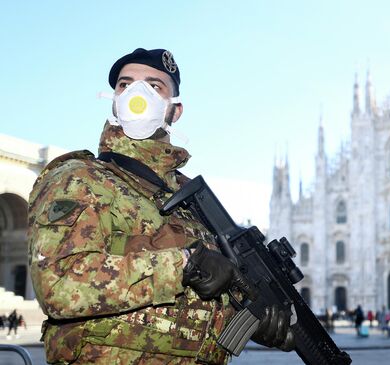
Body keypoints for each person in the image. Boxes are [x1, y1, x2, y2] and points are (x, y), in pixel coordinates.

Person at [28, 48, 294, 364]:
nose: (137, 96)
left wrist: (251, 319)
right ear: (113, 100)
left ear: (174, 110)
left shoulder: (191, 196)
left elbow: (201, 298)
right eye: (125, 85)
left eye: (154, 87)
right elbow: (57, 285)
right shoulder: (79, 177)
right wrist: (183, 266)